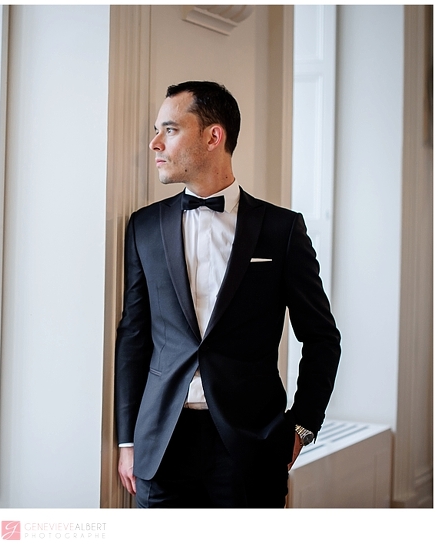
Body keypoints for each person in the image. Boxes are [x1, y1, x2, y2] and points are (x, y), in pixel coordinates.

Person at [114, 81, 341, 508]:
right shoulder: (143, 227)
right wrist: (127, 440)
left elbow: (323, 338)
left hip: (252, 447)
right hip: (160, 445)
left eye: (170, 129)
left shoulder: (281, 231)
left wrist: (302, 427)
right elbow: (134, 336)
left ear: (212, 136)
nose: (154, 143)